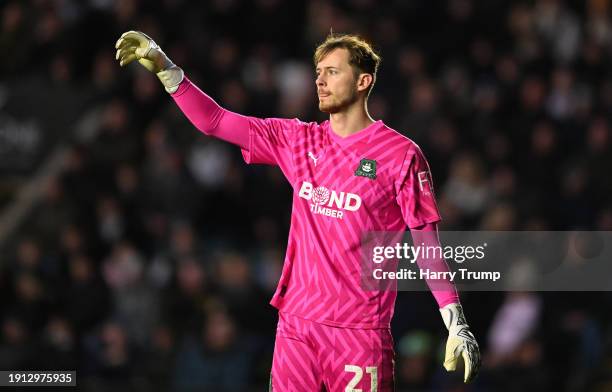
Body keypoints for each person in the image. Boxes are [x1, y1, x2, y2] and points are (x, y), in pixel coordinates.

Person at [115, 30, 480, 391]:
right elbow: (214, 121)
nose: (320, 80)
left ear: (363, 81)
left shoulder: (400, 155)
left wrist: (455, 320)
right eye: (318, 71)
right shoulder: (298, 140)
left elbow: (426, 246)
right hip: (296, 327)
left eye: (333, 71)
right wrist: (165, 67)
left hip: (359, 333)